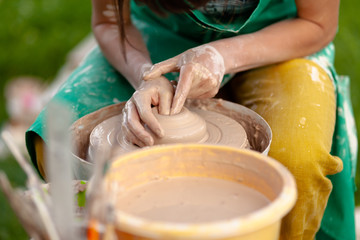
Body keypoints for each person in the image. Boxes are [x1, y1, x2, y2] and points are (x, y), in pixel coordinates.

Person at [25, 0, 358, 239]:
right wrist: (145, 73)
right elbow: (110, 21)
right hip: (159, 36)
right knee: (58, 144)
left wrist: (222, 56)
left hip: (279, 36)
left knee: (296, 162)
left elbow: (318, 24)